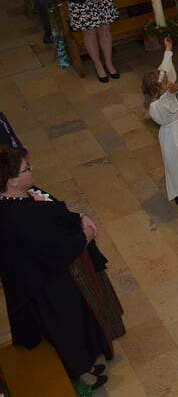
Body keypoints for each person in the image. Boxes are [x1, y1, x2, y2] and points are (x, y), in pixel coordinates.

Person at [0, 147, 123, 393]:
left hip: (42, 275)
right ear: (11, 180)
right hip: (45, 283)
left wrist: (78, 217)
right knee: (67, 327)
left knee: (73, 321)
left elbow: (54, 219)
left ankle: (86, 363)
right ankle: (81, 373)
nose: (31, 170)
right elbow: (58, 248)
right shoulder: (21, 217)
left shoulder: (19, 198)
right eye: (26, 169)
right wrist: (86, 235)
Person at [140, 39, 178, 207]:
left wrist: (168, 50)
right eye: (165, 84)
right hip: (172, 136)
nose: (169, 83)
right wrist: (172, 92)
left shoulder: (161, 92)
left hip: (177, 131)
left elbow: (164, 69)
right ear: (158, 89)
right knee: (177, 164)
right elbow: (169, 108)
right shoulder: (156, 105)